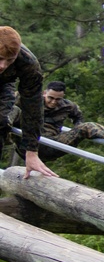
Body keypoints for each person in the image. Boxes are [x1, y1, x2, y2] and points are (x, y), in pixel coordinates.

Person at [12, 81, 104, 161]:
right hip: (28, 141)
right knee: (15, 111)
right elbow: (7, 100)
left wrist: (77, 127)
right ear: (44, 93)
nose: (53, 102)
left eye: (57, 100)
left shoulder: (68, 106)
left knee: (86, 126)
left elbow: (78, 117)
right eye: (50, 98)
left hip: (52, 144)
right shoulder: (31, 99)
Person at [0, 27, 58, 178]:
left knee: (1, 121)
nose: (3, 66)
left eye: (9, 61)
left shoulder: (28, 63)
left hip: (3, 84)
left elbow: (33, 107)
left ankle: (12, 115)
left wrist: (31, 152)